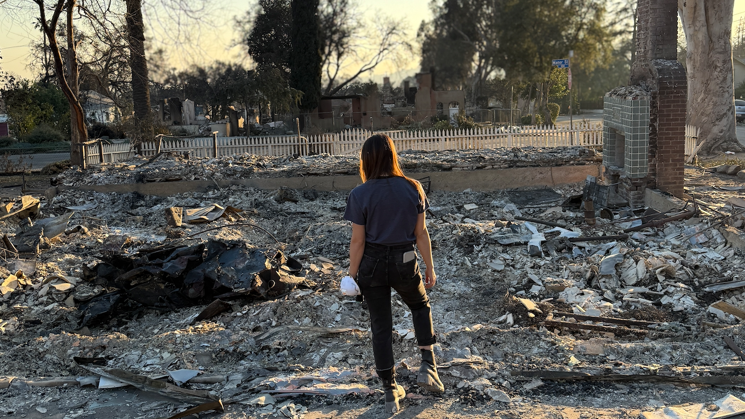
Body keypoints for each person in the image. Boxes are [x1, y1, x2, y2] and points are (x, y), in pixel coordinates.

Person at [343, 134, 444, 414]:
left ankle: (390, 390)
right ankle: (428, 364)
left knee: (381, 325)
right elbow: (420, 233)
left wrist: (352, 276)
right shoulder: (414, 188)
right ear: (392, 156)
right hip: (405, 260)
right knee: (420, 306)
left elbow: (357, 242)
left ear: (366, 160)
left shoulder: (359, 194)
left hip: (372, 264)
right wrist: (430, 267)